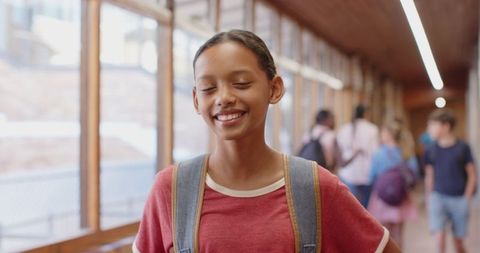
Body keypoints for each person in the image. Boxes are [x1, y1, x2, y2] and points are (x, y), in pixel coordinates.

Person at [133, 30, 400, 252]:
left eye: (240, 83)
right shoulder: (173, 189)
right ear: (196, 100)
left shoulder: (315, 187)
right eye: (208, 88)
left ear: (274, 89)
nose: (223, 97)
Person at [424, 109, 477, 253]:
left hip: (459, 199)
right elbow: (430, 175)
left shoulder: (463, 148)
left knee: (458, 243)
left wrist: (467, 198)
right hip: (438, 197)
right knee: (439, 240)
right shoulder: (430, 149)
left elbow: (472, 174)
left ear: (446, 126)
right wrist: (429, 197)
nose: (429, 129)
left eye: (433, 125)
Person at [368, 120, 419, 249]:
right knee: (398, 235)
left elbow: (372, 176)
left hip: (382, 198)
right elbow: (414, 175)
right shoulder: (406, 153)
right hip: (401, 198)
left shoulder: (378, 154)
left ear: (388, 135)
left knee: (383, 235)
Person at [337, 104, 379, 207]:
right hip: (367, 173)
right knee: (365, 208)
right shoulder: (373, 129)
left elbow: (339, 149)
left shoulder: (344, 129)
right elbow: (375, 152)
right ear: (366, 114)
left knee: (351, 208)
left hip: (348, 174)